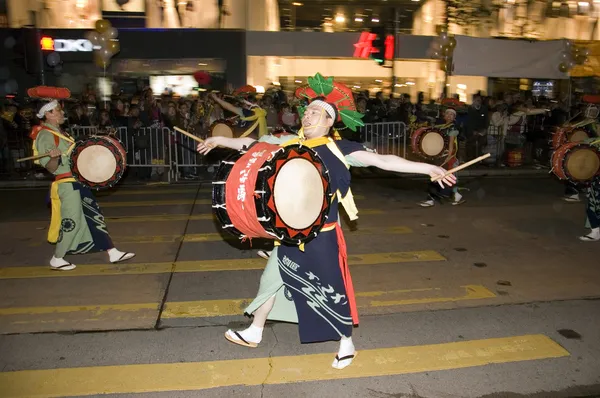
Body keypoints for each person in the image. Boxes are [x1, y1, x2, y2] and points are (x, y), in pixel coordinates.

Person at [197, 74, 456, 370]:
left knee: (331, 290)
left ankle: (347, 342)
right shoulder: (290, 142)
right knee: (270, 280)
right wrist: (221, 140)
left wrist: (428, 168)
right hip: (290, 235)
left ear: (329, 121)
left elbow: (384, 161)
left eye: (316, 113)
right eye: (307, 111)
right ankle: (255, 331)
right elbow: (255, 143)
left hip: (323, 236)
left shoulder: (340, 150)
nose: (307, 116)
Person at [31, 98, 135, 270]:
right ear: (48, 114)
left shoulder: (61, 133)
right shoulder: (45, 135)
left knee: (94, 217)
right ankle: (57, 258)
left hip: (77, 182)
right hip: (67, 184)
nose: (63, 113)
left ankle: (112, 252)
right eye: (58, 110)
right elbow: (50, 167)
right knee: (71, 221)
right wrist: (54, 156)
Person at [419, 108, 465, 207]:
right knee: (444, 177)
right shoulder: (440, 127)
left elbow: (451, 142)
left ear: (454, 118)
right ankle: (456, 195)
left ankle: (430, 199)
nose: (449, 115)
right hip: (439, 156)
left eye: (451, 114)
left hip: (446, 156)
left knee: (436, 177)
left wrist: (449, 156)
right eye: (447, 113)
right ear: (444, 115)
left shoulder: (452, 128)